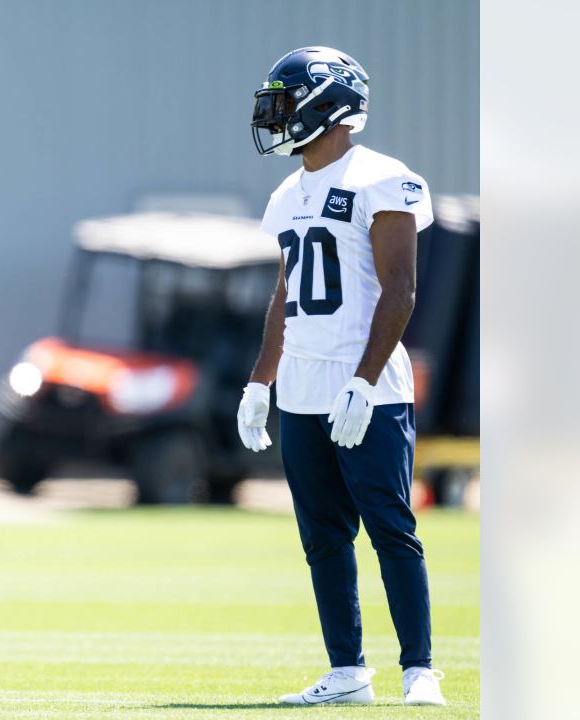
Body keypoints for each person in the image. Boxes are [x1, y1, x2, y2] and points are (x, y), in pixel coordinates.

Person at [238, 46, 445, 706]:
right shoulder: (285, 192)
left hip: (368, 387)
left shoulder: (383, 178)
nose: (273, 116)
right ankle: (348, 671)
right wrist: (259, 380)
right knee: (322, 535)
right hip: (301, 384)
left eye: (284, 101)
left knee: (390, 525)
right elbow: (285, 296)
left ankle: (420, 670)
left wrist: (362, 379)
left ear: (324, 103)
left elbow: (401, 288)